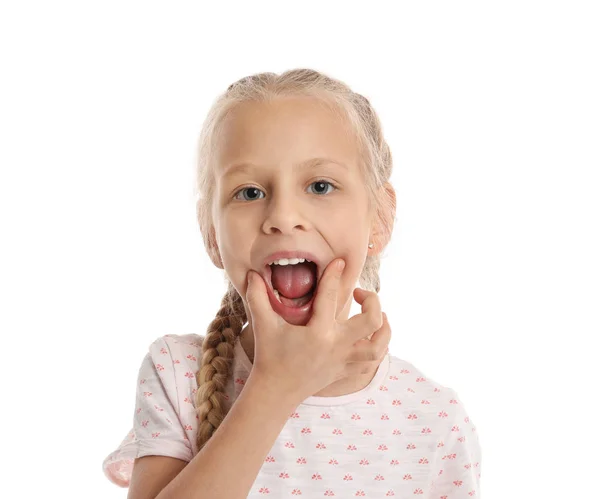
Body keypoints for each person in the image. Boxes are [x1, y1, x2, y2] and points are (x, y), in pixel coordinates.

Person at [102, 68, 482, 498]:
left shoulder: (432, 419)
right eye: (249, 193)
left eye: (320, 186)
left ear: (379, 217)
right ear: (211, 233)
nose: (282, 217)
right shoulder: (178, 372)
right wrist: (276, 384)